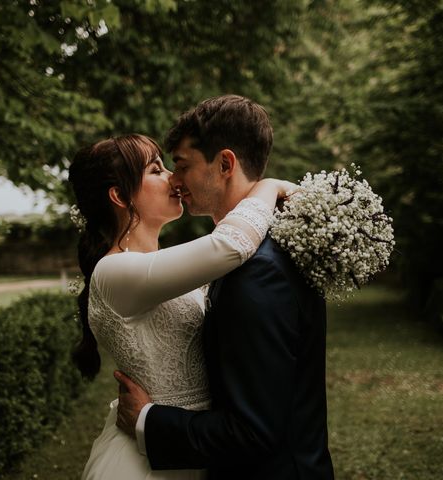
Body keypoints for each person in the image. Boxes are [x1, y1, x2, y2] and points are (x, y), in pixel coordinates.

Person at [115, 95, 335, 480]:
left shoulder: (258, 274)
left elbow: (252, 432)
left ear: (225, 164)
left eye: (181, 165)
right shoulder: (262, 251)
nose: (174, 180)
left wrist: (148, 420)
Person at [69, 132, 293, 480]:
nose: (173, 177)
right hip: (146, 463)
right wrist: (268, 186)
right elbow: (230, 245)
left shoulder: (157, 267)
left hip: (196, 445)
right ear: (119, 195)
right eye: (156, 170)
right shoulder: (114, 272)